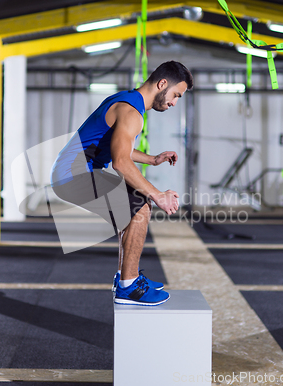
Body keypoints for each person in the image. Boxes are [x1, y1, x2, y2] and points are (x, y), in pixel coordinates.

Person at [51, 61, 193, 306]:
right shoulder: (132, 113)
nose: (174, 103)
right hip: (72, 174)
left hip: (74, 170)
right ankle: (130, 286)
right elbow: (120, 162)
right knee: (141, 204)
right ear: (162, 84)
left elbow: (118, 146)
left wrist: (152, 158)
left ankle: (127, 277)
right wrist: (158, 195)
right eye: (175, 95)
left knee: (132, 204)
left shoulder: (127, 100)